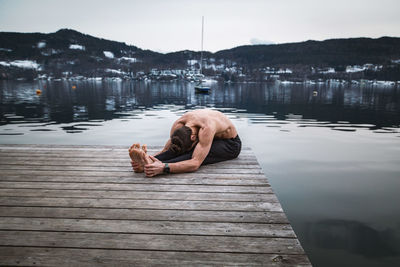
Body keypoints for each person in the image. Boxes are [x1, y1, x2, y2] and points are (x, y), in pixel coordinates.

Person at [129, 109, 241, 177]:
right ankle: (148, 164)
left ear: (193, 137)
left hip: (230, 144)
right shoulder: (178, 124)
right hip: (209, 137)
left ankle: (152, 166)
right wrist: (148, 158)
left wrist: (164, 168)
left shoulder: (207, 128)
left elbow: (195, 163)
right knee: (175, 150)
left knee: (190, 156)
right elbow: (166, 150)